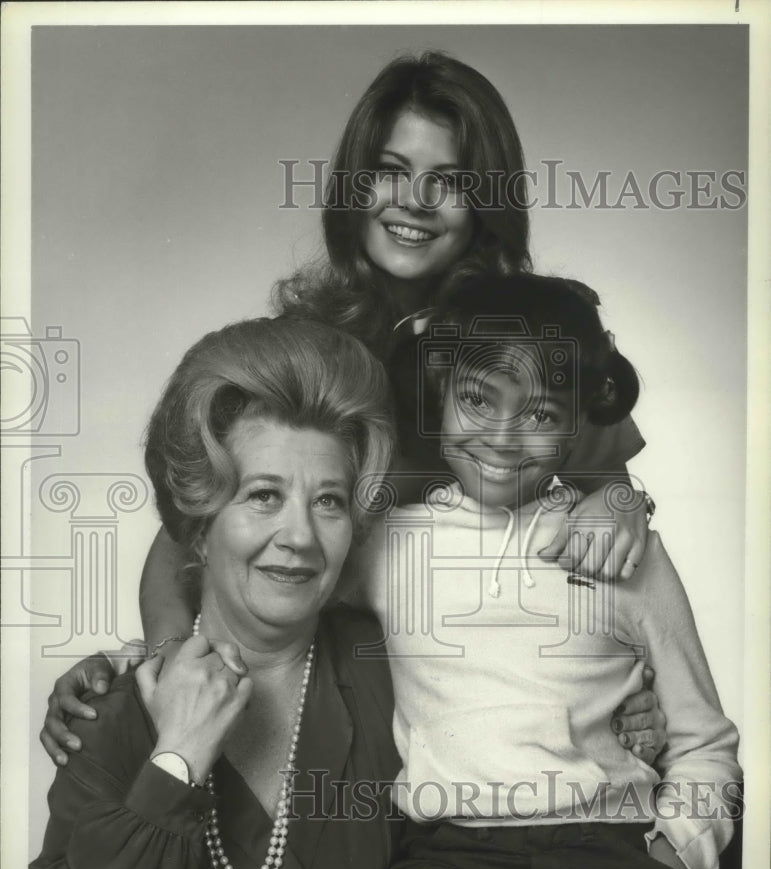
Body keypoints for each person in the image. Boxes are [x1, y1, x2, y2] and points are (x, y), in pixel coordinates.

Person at [40, 51, 663, 763]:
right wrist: (164, 673)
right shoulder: (306, 353)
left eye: (450, 182)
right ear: (353, 186)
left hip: (503, 725)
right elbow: (185, 542)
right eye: (389, 171)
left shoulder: (536, 341)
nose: (414, 202)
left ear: (486, 204)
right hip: (343, 715)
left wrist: (633, 676)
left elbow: (615, 539)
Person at [348, 274, 741, 869]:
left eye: (539, 414)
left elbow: (702, 738)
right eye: (475, 401)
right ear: (437, 395)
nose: (500, 439)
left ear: (581, 417)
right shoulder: (383, 544)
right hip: (452, 860)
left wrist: (678, 848)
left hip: (616, 858)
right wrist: (145, 656)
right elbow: (263, 592)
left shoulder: (623, 547)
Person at [29, 318, 403, 869]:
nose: (300, 537)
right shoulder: (110, 713)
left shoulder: (395, 671)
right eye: (263, 496)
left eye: (329, 503)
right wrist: (173, 763)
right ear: (198, 527)